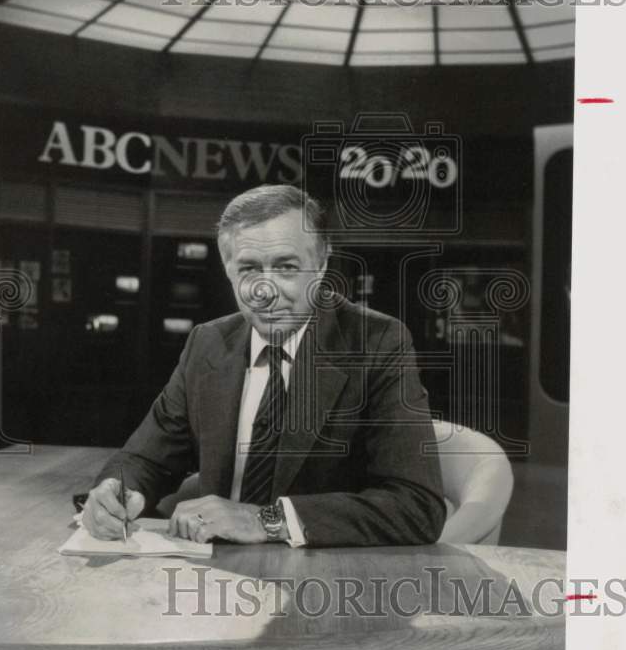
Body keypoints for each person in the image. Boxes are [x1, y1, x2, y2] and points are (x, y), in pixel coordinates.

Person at [83, 185, 445, 548]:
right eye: (249, 269)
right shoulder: (207, 344)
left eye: (286, 267)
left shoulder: (377, 342)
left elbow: (416, 506)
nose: (265, 292)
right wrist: (115, 491)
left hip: (321, 580)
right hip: (213, 573)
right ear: (228, 271)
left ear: (320, 266)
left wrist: (265, 520)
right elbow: (144, 458)